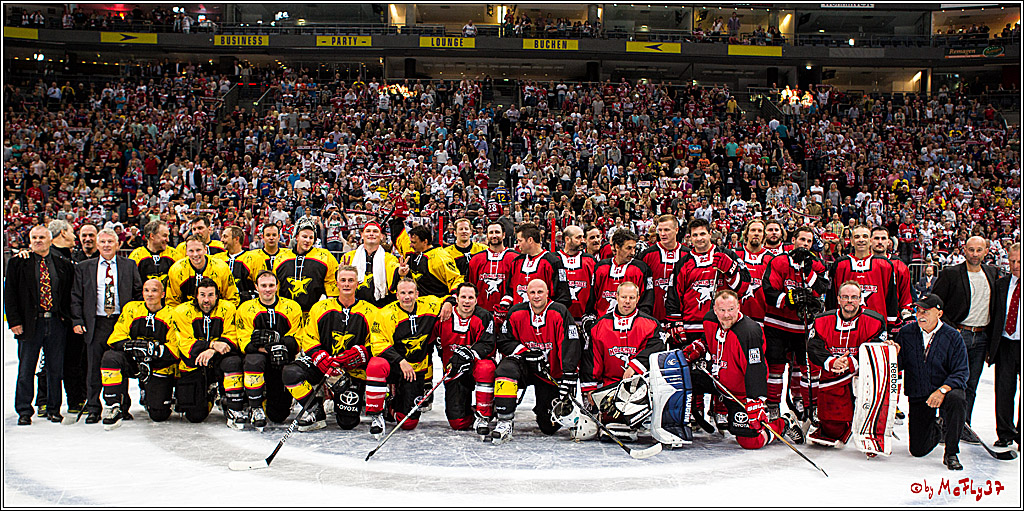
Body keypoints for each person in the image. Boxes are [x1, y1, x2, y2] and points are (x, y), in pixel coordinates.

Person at [681, 290, 803, 449]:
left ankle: (784, 422)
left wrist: (755, 401)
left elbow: (756, 369)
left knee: (751, 442)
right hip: (716, 379)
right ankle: (679, 423)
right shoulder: (710, 320)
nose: (726, 315)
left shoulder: (749, 332)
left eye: (731, 309)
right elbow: (711, 340)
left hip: (739, 393)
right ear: (715, 310)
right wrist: (700, 346)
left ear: (739, 307)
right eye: (722, 310)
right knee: (682, 377)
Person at [282, 265, 393, 436]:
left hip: (351, 372)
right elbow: (308, 337)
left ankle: (342, 394)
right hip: (322, 365)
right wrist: (321, 358)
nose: (347, 284)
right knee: (290, 373)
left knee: (348, 422)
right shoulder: (320, 308)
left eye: (351, 280)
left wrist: (360, 354)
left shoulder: (371, 311)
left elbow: (377, 340)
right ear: (337, 283)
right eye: (343, 280)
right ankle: (314, 409)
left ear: (358, 283)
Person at [491, 279, 581, 444]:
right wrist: (526, 353)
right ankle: (504, 421)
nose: (536, 296)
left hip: (550, 373)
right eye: (532, 292)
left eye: (540, 292)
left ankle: (543, 410)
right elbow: (504, 341)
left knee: (549, 427)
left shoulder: (559, 312)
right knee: (505, 370)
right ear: (527, 294)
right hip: (524, 369)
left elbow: (571, 344)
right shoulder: (516, 312)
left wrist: (568, 375)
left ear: (547, 293)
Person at [930, 235, 999, 443]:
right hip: (958, 335)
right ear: (964, 250)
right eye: (971, 250)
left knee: (971, 384)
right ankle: (944, 424)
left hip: (981, 337)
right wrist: (951, 331)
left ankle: (963, 425)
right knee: (950, 382)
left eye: (979, 250)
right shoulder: (951, 274)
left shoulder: (992, 273)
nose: (975, 254)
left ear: (986, 251)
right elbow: (936, 305)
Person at [889, 294, 969, 471]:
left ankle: (951, 452)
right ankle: (938, 426)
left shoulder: (953, 336)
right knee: (918, 450)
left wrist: (942, 390)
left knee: (957, 399)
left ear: (939, 313)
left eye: (925, 311)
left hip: (945, 390)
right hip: (919, 392)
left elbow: (961, 371)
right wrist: (891, 354)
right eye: (918, 311)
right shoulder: (906, 333)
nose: (920, 315)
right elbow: (899, 365)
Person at [71, 228, 143, 424]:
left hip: (121, 323)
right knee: (94, 368)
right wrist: (77, 320)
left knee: (120, 365)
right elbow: (76, 296)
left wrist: (135, 322)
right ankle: (94, 407)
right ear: (97, 245)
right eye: (102, 242)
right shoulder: (85, 267)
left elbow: (137, 294)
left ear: (118, 244)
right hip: (96, 323)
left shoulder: (129, 265)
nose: (106, 245)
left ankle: (122, 406)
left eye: (110, 241)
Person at [6, 224, 75, 425]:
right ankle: (24, 411)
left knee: (55, 369)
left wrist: (67, 320)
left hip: (55, 322)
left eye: (42, 237)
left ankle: (54, 409)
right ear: (29, 241)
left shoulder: (62, 263)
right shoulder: (18, 263)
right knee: (26, 368)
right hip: (29, 323)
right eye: (34, 238)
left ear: (50, 240)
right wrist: (15, 322)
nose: (38, 241)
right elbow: (10, 294)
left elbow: (68, 294)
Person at [806, 280, 887, 446]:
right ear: (838, 299)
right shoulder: (822, 320)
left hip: (864, 375)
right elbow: (814, 346)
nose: (850, 301)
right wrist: (831, 361)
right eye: (845, 297)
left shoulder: (876, 321)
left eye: (854, 297)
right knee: (832, 430)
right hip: (834, 375)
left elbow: (877, 348)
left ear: (860, 299)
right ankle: (835, 423)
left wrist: (852, 362)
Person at [580, 282, 667, 437]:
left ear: (638, 299)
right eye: (624, 297)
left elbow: (657, 347)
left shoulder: (651, 324)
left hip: (638, 385)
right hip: (610, 386)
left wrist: (635, 366)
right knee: (611, 422)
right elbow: (592, 359)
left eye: (631, 297)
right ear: (617, 297)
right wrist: (590, 389)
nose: (627, 301)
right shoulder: (599, 326)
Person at [761, 226, 830, 421]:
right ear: (794, 240)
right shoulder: (779, 261)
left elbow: (821, 289)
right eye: (802, 240)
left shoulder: (817, 264)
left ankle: (805, 403)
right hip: (777, 325)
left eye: (809, 241)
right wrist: (791, 298)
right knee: (775, 367)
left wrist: (808, 271)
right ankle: (773, 404)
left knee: (805, 367)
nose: (805, 244)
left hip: (803, 327)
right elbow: (769, 292)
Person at [99, 279, 179, 429]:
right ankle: (114, 405)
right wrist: (133, 346)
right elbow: (115, 338)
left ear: (162, 294)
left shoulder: (172, 314)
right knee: (111, 358)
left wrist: (153, 351)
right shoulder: (131, 309)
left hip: (157, 365)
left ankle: (150, 391)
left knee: (158, 415)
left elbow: (175, 348)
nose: (150, 294)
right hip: (134, 361)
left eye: (154, 290)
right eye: (146, 290)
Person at [376, 277, 455, 430]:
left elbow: (449, 297)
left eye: (411, 292)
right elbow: (378, 342)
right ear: (397, 295)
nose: (407, 297)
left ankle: (393, 407)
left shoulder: (430, 304)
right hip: (395, 366)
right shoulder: (386, 313)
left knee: (408, 423)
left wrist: (448, 303)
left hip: (415, 370)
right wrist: (400, 361)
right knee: (376, 365)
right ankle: (382, 403)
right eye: (403, 293)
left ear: (417, 294)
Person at [233, 270, 304, 429]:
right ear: (256, 287)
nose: (267, 289)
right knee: (253, 360)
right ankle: (255, 406)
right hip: (259, 357)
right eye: (263, 285)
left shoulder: (292, 307)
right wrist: (270, 348)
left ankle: (275, 400)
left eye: (271, 285)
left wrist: (281, 344)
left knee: (278, 415)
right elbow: (244, 342)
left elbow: (297, 339)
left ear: (277, 286)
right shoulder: (245, 309)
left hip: (282, 359)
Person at [171, 277, 240, 424]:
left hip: (220, 359)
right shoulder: (182, 312)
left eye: (210, 295)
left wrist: (212, 351)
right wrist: (213, 345)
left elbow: (232, 336)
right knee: (195, 416)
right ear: (196, 296)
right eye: (202, 295)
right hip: (195, 361)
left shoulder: (228, 309)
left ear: (217, 296)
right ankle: (208, 395)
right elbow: (184, 343)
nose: (206, 300)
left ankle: (232, 404)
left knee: (233, 361)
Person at [431, 282, 497, 435]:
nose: (467, 301)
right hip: (454, 371)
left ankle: (484, 413)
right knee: (458, 423)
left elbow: (488, 344)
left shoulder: (484, 316)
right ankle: (471, 411)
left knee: (486, 368)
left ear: (476, 300)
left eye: (471, 297)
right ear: (457, 299)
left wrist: (468, 354)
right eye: (463, 297)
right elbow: (428, 340)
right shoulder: (443, 316)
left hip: (476, 367)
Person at [826, 224, 898, 328]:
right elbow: (832, 296)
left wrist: (891, 324)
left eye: (865, 236)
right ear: (851, 241)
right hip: (845, 325)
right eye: (857, 237)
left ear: (871, 240)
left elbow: (891, 297)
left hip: (877, 324)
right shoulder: (840, 264)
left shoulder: (885, 265)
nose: (861, 240)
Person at [986, 242, 1020, 448]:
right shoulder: (1002, 284)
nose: (1016, 265)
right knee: (1004, 391)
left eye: (1020, 261)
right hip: (1006, 344)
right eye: (1012, 261)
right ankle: (1005, 433)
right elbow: (995, 316)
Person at [274, 219, 340, 315]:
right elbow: (276, 286)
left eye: (311, 237)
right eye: (304, 236)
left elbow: (332, 286)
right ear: (297, 237)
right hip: (286, 314)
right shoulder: (281, 258)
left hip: (315, 314)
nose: (307, 240)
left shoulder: (325, 256)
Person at [587, 229, 654, 318]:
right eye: (629, 248)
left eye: (634, 248)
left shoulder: (642, 269)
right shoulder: (600, 267)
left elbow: (646, 302)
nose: (633, 252)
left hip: (631, 325)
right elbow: (592, 298)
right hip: (603, 324)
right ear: (617, 247)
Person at [166, 234, 239, 308]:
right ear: (186, 252)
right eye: (191, 251)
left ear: (205, 249)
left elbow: (232, 298)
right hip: (187, 316)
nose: (195, 254)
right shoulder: (176, 270)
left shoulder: (221, 267)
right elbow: (172, 303)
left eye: (198, 250)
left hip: (216, 314)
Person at [339, 221, 401, 307]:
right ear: (362, 235)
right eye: (368, 231)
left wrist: (400, 272)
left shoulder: (389, 258)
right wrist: (340, 272)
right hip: (355, 308)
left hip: (380, 307)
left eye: (375, 231)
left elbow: (394, 271)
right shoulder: (348, 257)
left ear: (381, 236)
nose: (371, 234)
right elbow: (340, 283)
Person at [637, 214, 686, 323]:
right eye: (660, 230)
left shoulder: (687, 255)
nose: (662, 234)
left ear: (676, 230)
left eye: (667, 230)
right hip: (653, 318)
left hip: (681, 319)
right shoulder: (647, 255)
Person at [466, 220, 519, 317]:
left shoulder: (515, 259)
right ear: (487, 236)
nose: (494, 235)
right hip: (481, 313)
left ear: (503, 235)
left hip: (509, 313)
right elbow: (470, 286)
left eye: (497, 232)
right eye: (491, 232)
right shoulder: (476, 259)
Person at [399, 224, 463, 298]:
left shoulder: (440, 257)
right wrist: (403, 275)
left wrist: (452, 300)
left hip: (438, 304)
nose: (411, 245)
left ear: (425, 242)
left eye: (414, 242)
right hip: (421, 304)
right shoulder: (418, 254)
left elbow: (456, 279)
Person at [871, 227, 913, 323]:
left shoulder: (899, 265)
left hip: (891, 319)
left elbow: (906, 297)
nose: (880, 242)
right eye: (876, 238)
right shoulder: (861, 264)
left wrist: (906, 315)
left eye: (883, 238)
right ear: (870, 240)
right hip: (867, 317)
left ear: (889, 242)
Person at [557, 225, 597, 320]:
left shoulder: (590, 260)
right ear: (567, 239)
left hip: (585, 317)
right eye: (578, 237)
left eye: (582, 237)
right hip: (561, 318)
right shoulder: (554, 260)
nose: (582, 241)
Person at [734, 219, 770, 325]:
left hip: (762, 319)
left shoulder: (772, 259)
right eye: (753, 230)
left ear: (764, 235)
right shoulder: (735, 255)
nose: (756, 234)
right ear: (746, 234)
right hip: (736, 318)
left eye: (760, 231)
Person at [128, 220, 178, 288]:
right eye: (164, 236)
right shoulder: (136, 256)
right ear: (152, 236)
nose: (168, 240)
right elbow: (130, 284)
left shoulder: (175, 254)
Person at [215, 225, 257, 303]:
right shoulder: (217, 259)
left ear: (236, 239)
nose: (221, 240)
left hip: (245, 306)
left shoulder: (253, 259)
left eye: (225, 237)